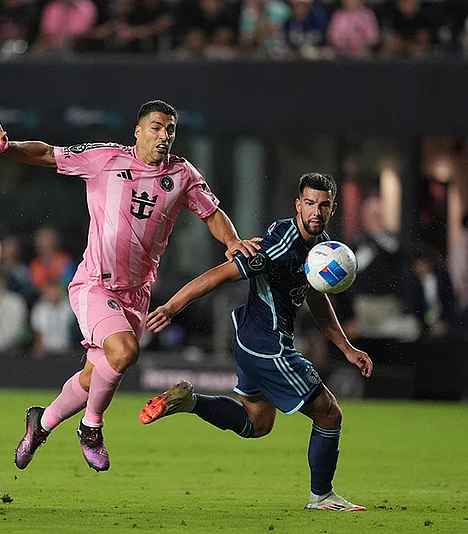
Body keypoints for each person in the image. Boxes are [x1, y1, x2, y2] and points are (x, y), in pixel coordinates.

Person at [0, 99, 260, 472]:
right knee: (124, 352)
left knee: (94, 377)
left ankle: (40, 423)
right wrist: (5, 147)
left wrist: (231, 241)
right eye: (157, 127)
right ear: (138, 131)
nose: (164, 136)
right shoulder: (105, 159)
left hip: (136, 294)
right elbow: (48, 153)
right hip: (95, 284)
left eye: (171, 129)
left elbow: (211, 212)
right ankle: (91, 428)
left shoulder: (182, 174)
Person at [140, 172, 372, 511]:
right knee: (329, 414)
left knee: (257, 423)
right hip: (268, 346)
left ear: (333, 209)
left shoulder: (319, 245)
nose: (315, 212)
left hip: (249, 341)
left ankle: (190, 402)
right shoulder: (279, 245)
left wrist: (347, 348)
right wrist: (171, 307)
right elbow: (219, 274)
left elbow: (316, 298)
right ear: (298, 204)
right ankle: (322, 496)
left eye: (323, 206)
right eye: (309, 204)